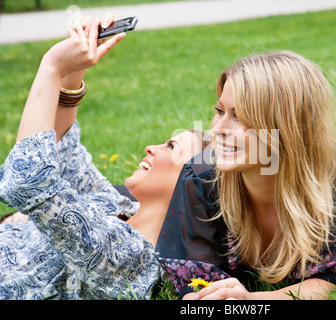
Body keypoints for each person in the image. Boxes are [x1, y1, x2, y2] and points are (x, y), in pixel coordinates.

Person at [0, 15, 207, 299]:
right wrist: (73, 73)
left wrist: (51, 68)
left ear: (193, 187)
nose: (151, 147)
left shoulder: (131, 258)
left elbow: (28, 182)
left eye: (171, 147)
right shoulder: (120, 207)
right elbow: (63, 154)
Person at [155, 51, 336, 300]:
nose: (218, 128)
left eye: (238, 116)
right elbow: (196, 284)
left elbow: (325, 280)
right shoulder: (200, 178)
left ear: (285, 128)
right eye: (219, 110)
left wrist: (251, 300)